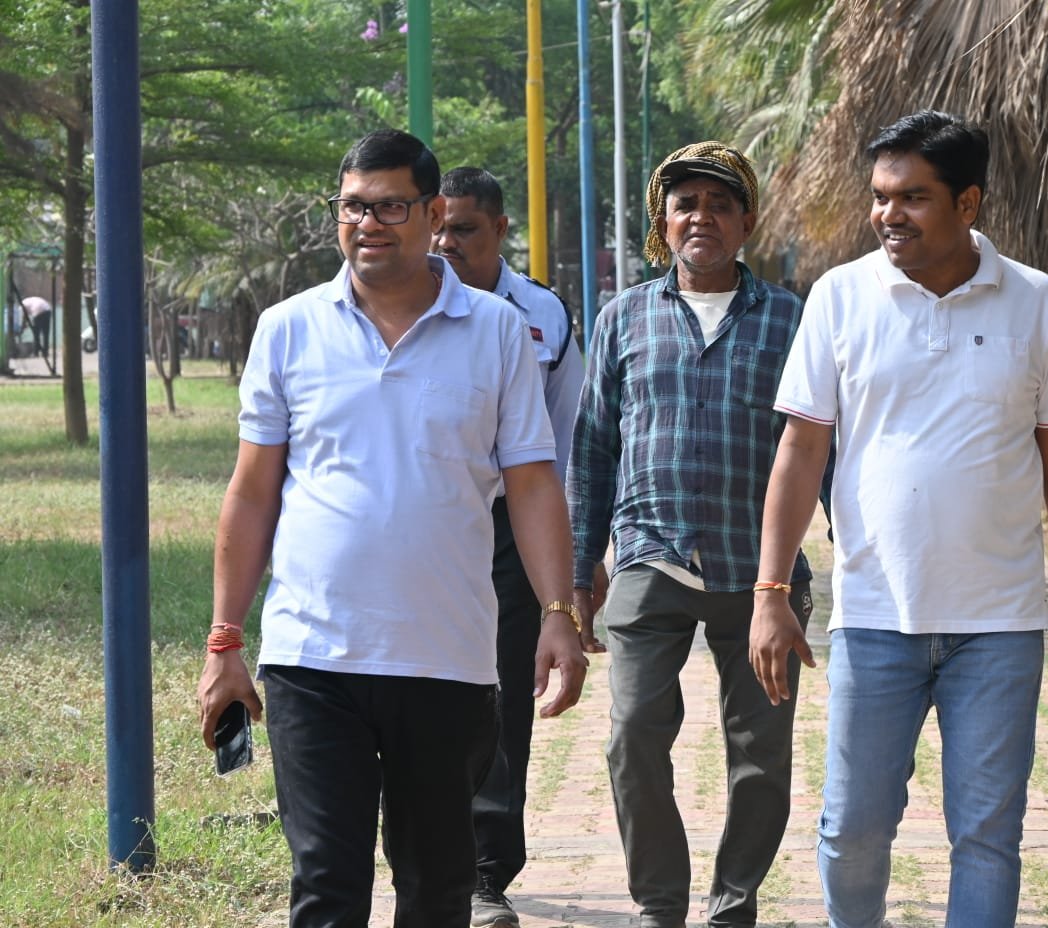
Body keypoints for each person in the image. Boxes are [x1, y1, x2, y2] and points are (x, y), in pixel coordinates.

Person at [196, 129, 588, 928]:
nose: (366, 224)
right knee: (326, 888)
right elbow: (252, 493)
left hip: (446, 660)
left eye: (389, 208)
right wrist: (224, 642)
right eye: (351, 208)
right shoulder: (288, 328)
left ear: (433, 214)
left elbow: (531, 481)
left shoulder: (497, 331)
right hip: (312, 658)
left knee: (437, 889)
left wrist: (558, 613)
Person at [749, 110, 1048, 928]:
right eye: (880, 196)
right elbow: (801, 449)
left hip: (1000, 625)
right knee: (852, 830)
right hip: (875, 616)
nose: (888, 214)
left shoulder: (1036, 302)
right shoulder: (840, 296)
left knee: (986, 835)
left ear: (967, 203)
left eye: (912, 197)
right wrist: (771, 592)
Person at [568, 141, 818, 928]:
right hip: (651, 558)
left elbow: (821, 447)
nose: (701, 217)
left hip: (762, 572)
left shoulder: (792, 320)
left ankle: (733, 904)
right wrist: (580, 569)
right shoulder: (623, 318)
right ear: (663, 223)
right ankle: (659, 905)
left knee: (761, 754)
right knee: (632, 736)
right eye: (685, 205)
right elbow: (592, 448)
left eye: (719, 204)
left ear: (746, 222)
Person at [431, 166, 586, 928]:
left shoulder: (544, 315)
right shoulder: (407, 301)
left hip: (511, 526)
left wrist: (570, 567)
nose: (445, 242)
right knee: (425, 690)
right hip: (431, 521)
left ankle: (486, 871)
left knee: (502, 694)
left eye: (463, 229)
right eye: (438, 226)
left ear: (499, 230)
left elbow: (567, 440)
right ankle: (430, 855)